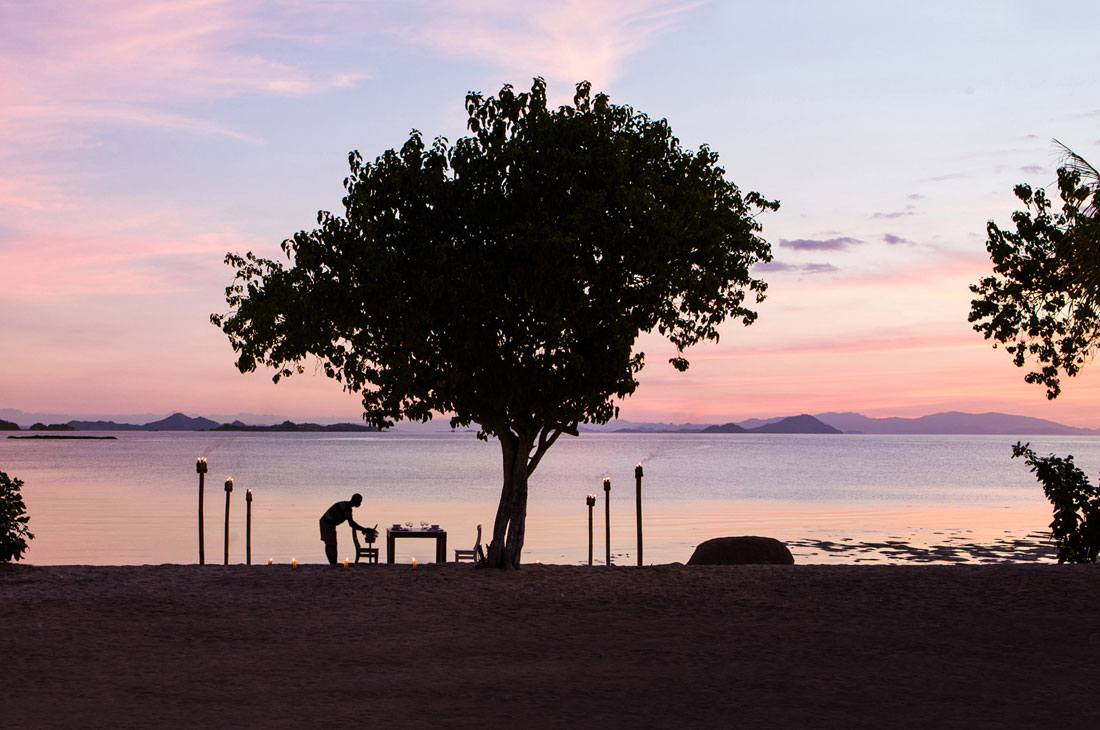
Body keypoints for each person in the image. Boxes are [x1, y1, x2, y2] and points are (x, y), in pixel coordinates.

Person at [319, 493, 375, 565]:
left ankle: (333, 563)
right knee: (330, 544)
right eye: (360, 501)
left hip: (330, 524)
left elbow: (352, 523)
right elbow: (351, 523)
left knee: (332, 544)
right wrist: (365, 529)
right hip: (327, 523)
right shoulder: (347, 507)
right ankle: (332, 563)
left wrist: (363, 529)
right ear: (355, 500)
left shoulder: (346, 506)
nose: (360, 504)